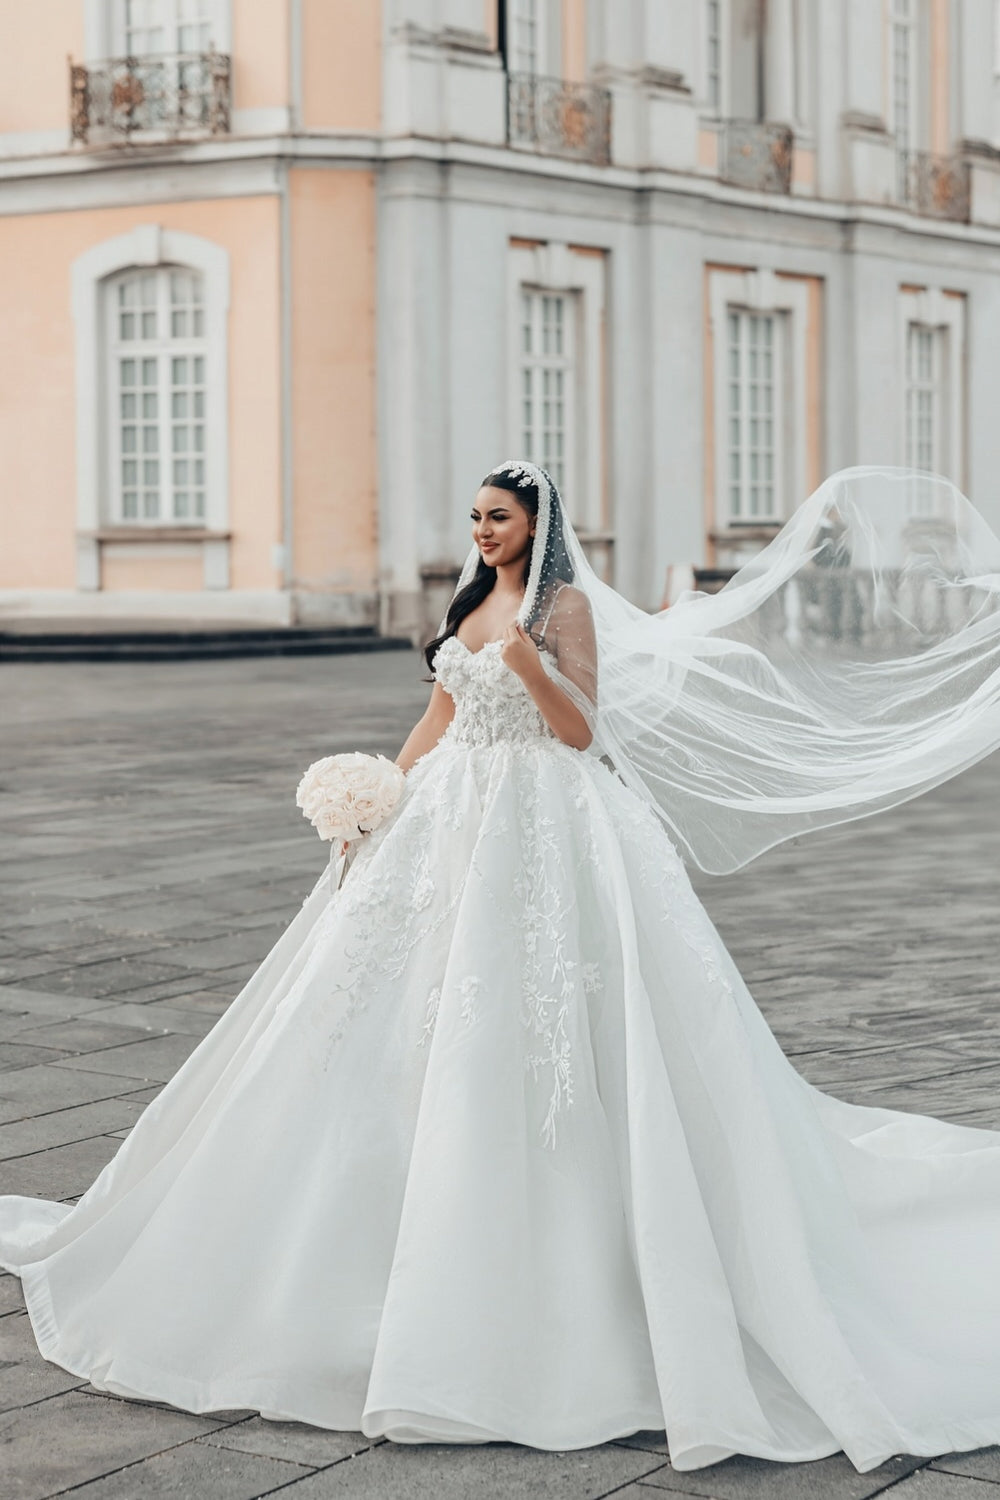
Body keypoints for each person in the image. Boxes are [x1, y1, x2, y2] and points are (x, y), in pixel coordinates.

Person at [3, 457, 1000, 1475]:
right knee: (385, 1019)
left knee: (552, 1024)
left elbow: (580, 731)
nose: (482, 531)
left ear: (538, 522)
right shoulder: (471, 598)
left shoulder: (563, 608)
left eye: (500, 517)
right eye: (475, 516)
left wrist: (530, 667)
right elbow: (440, 716)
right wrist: (374, 800)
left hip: (545, 822)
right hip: (446, 823)